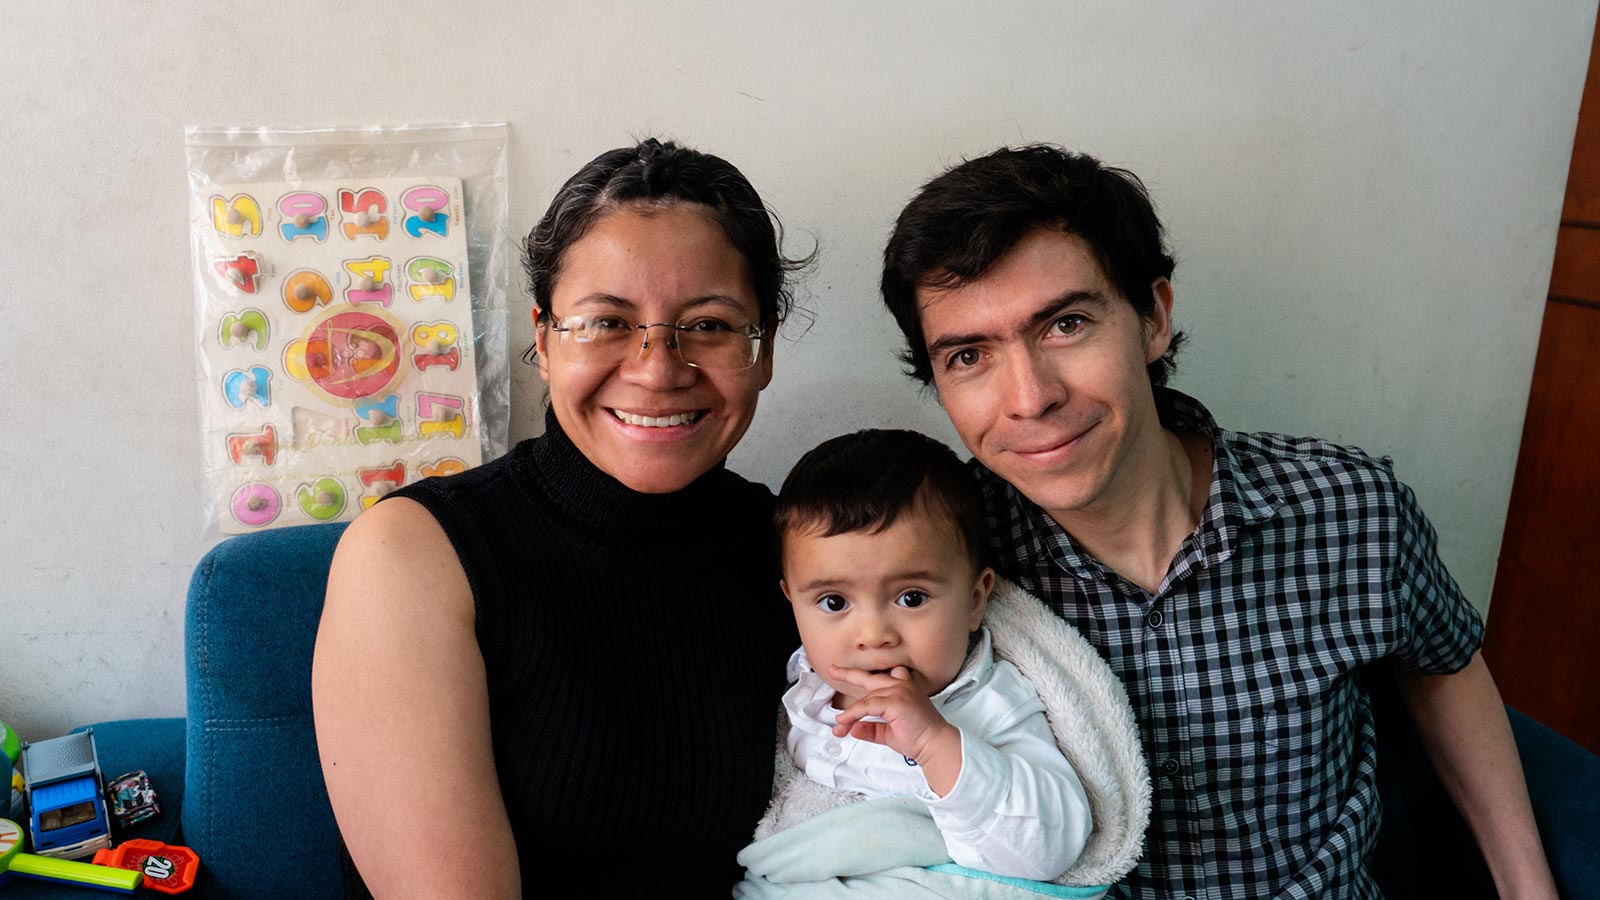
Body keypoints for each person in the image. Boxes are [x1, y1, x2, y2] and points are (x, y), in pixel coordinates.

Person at [877, 145, 1558, 899]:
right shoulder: (927, 563)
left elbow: (1443, 667)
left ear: (1153, 319)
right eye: (969, 355)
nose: (1030, 397)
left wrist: (1529, 887)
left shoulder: (1346, 509)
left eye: (1066, 324)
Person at [312, 138, 806, 897]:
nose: (657, 368)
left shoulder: (807, 553)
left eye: (708, 324)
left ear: (762, 349)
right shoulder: (412, 556)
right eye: (606, 322)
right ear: (542, 341)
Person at [771, 428, 1092, 882]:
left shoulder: (990, 702)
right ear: (792, 603)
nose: (873, 635)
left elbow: (1051, 847)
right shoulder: (803, 692)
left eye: (913, 597)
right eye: (834, 603)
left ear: (976, 599)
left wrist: (934, 744)